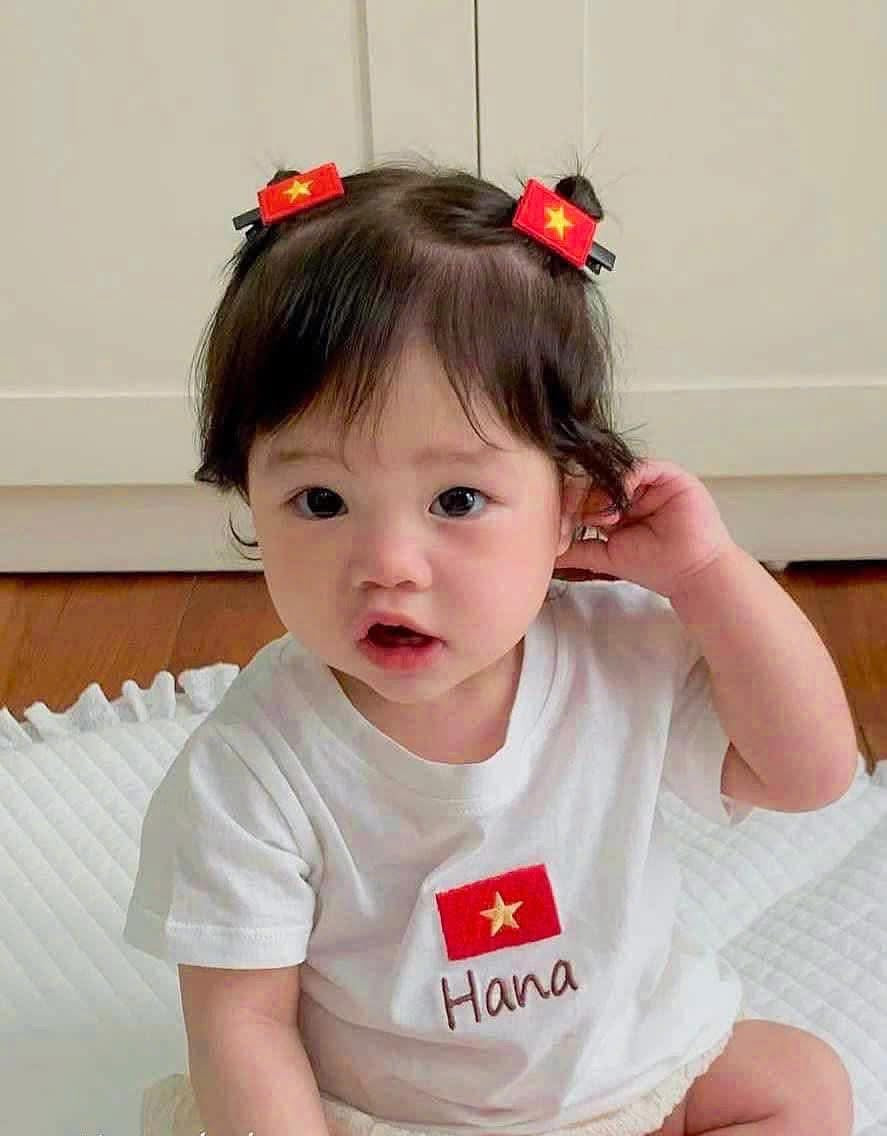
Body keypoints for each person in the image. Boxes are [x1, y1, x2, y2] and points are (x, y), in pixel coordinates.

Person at [124, 158, 857, 1136]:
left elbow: (809, 775)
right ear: (248, 495)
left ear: (569, 502)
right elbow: (241, 1026)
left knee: (799, 1083)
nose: (387, 564)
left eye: (457, 499)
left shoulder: (619, 654)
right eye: (321, 500)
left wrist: (707, 574)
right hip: (392, 1117)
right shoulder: (253, 766)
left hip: (627, 1074)